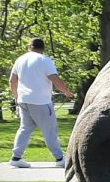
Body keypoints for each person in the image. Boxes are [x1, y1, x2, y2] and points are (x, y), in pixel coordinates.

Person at [8, 37, 73, 168]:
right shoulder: (44, 60)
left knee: (24, 129)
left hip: (23, 100)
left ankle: (16, 158)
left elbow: (12, 80)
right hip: (41, 102)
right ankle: (60, 158)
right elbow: (54, 78)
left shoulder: (20, 60)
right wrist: (67, 92)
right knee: (50, 130)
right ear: (42, 48)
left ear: (29, 47)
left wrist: (17, 97)